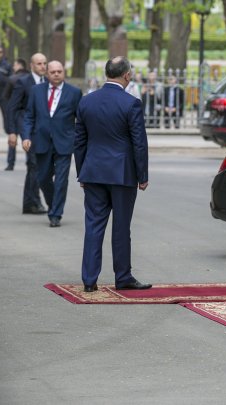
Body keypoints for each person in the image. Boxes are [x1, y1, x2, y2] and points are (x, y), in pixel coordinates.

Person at [74, 56, 150, 292]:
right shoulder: (131, 103)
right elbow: (139, 143)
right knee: (121, 227)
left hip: (93, 172)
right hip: (122, 174)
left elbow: (80, 141)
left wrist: (82, 173)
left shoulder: (86, 102)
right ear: (127, 75)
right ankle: (123, 276)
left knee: (93, 226)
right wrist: (143, 175)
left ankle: (89, 280)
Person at [21, 60, 83, 228]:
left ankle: (55, 214)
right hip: (41, 141)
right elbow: (29, 116)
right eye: (53, 71)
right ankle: (53, 203)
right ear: (47, 74)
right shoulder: (36, 91)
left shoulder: (74, 92)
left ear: (64, 73)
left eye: (59, 71)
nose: (56, 74)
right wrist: (26, 136)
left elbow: (81, 119)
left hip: (65, 142)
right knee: (42, 178)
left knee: (62, 179)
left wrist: (78, 137)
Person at [5, 53, 48, 215]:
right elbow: (12, 107)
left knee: (36, 165)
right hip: (26, 128)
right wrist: (12, 132)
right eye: (39, 64)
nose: (42, 66)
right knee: (34, 162)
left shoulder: (48, 82)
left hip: (43, 128)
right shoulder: (23, 82)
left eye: (44, 63)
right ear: (31, 66)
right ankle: (34, 201)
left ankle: (29, 203)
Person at [2, 58, 27, 171]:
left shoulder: (12, 79)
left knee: (12, 137)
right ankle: (30, 161)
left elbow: (5, 97)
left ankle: (10, 163)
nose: (13, 67)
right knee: (27, 138)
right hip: (27, 112)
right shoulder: (30, 79)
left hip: (14, 111)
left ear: (19, 65)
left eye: (15, 65)